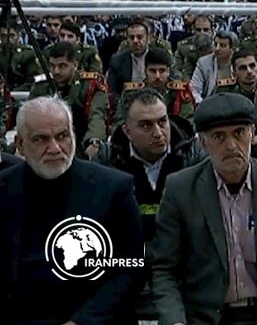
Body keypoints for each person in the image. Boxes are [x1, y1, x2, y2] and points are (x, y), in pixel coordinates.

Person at [151, 93, 257, 325]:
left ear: (252, 134)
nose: (231, 146)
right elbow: (164, 269)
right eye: (219, 136)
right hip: (206, 317)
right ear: (203, 142)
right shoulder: (180, 189)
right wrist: (175, 322)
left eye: (239, 133)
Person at [0, 96, 144, 324]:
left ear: (74, 135)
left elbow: (130, 267)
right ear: (20, 144)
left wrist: (81, 322)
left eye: (62, 136)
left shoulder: (113, 189)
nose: (54, 148)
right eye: (40, 139)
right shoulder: (4, 189)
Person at [93, 88, 205, 319]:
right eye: (146, 125)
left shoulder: (194, 156)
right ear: (127, 131)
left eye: (162, 121)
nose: (158, 133)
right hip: (127, 265)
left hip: (184, 263)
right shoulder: (107, 160)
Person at [28, 41, 110, 160]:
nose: (56, 71)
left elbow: (97, 115)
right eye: (52, 66)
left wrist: (94, 140)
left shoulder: (90, 84)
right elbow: (30, 114)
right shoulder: (42, 85)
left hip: (81, 138)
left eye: (62, 66)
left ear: (75, 64)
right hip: (46, 138)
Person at [107, 17, 153, 102]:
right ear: (127, 40)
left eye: (139, 37)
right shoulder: (117, 60)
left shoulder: (159, 58)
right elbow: (111, 91)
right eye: (131, 37)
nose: (135, 41)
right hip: (126, 104)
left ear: (148, 38)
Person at [191, 30, 238, 104]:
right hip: (210, 104)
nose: (217, 48)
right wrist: (202, 105)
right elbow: (194, 89)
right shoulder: (203, 63)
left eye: (222, 45)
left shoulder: (240, 61)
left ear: (233, 48)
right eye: (215, 44)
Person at [173, 15, 215, 80]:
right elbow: (176, 69)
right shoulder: (183, 46)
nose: (202, 33)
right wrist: (184, 81)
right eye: (198, 30)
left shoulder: (218, 46)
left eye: (206, 30)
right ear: (193, 30)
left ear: (212, 30)